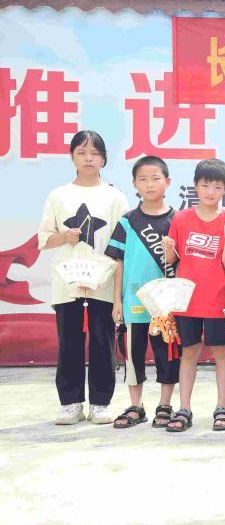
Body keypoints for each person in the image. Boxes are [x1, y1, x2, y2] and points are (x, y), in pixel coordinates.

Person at [39, 130, 129, 426]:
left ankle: (100, 403)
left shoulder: (115, 197)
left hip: (103, 282)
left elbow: (122, 244)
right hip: (67, 283)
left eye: (95, 153)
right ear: (72, 157)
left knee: (103, 341)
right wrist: (64, 236)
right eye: (82, 152)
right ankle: (70, 403)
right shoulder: (58, 195)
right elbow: (45, 238)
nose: (89, 158)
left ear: (104, 158)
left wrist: (117, 287)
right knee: (69, 342)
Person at [163, 159, 225, 432]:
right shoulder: (181, 219)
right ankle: (184, 408)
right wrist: (167, 247)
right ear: (196, 186)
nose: (210, 192)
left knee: (221, 352)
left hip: (217, 299)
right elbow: (171, 259)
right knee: (189, 352)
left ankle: (222, 407)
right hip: (187, 300)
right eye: (205, 185)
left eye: (217, 187)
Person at [105, 155, 178, 430]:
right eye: (143, 179)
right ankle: (136, 406)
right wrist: (117, 301)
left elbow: (181, 262)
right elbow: (118, 263)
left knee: (166, 354)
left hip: (165, 303)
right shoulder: (127, 221)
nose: (149, 184)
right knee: (133, 357)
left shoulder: (177, 220)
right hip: (133, 301)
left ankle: (165, 404)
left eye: (155, 178)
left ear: (167, 181)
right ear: (134, 184)